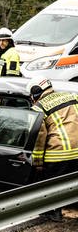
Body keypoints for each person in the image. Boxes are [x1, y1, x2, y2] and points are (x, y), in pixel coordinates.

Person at [26, 76, 78, 222]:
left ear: (35, 93)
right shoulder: (72, 96)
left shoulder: (39, 108)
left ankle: (52, 213)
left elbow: (39, 137)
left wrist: (37, 162)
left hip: (58, 154)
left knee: (52, 188)